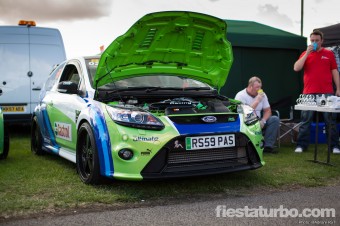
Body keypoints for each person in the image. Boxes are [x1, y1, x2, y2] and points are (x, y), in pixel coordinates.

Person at [293, 29, 340, 154]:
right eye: (312, 40)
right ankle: (301, 145)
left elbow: (334, 72)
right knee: (305, 120)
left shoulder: (329, 54)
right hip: (308, 93)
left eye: (316, 41)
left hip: (327, 92)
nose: (314, 42)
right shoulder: (305, 53)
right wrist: (307, 53)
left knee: (330, 120)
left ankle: (334, 146)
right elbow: (296, 68)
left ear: (322, 41)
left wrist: (338, 88)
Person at [235, 76, 280, 153]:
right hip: (247, 121)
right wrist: (257, 100)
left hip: (259, 121)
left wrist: (263, 121)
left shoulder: (263, 94)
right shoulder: (240, 96)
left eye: (260, 87)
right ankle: (250, 146)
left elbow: (268, 110)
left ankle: (268, 147)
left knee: (274, 119)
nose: (259, 89)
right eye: (257, 87)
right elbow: (244, 113)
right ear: (250, 86)